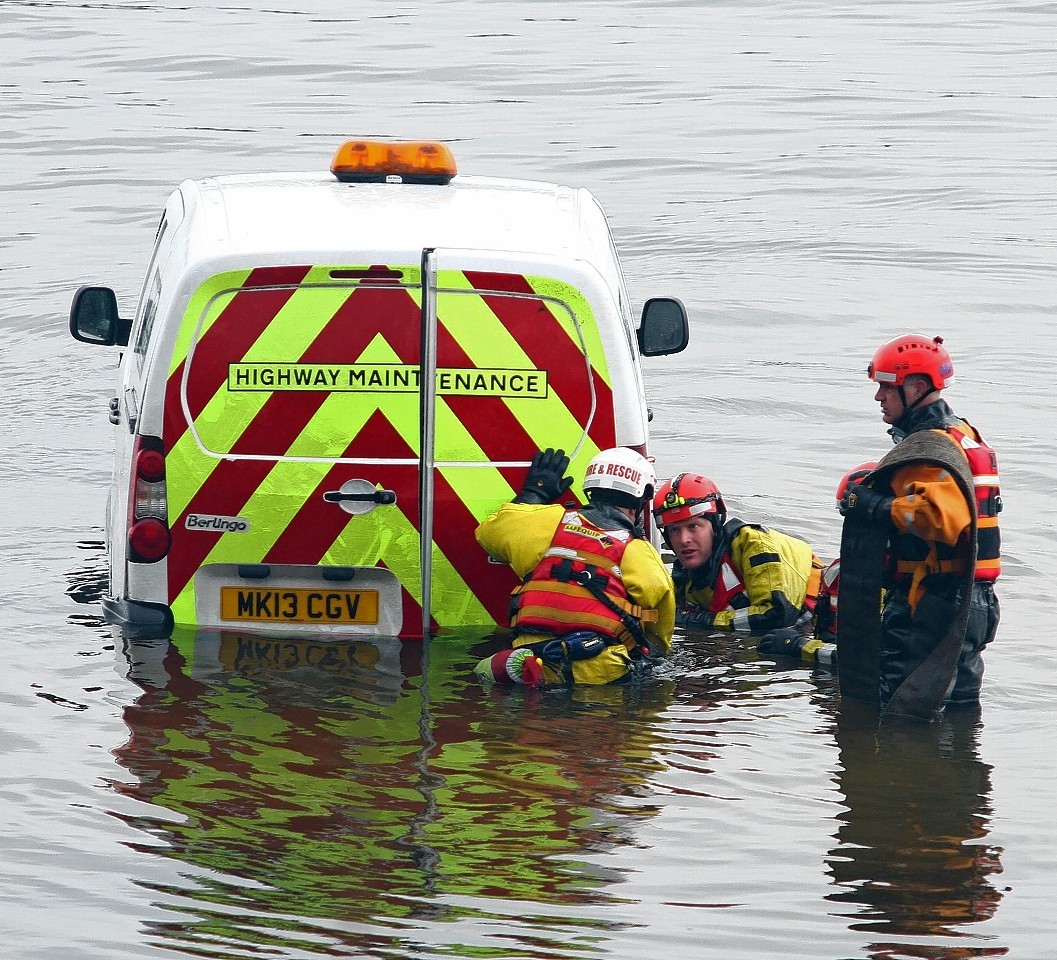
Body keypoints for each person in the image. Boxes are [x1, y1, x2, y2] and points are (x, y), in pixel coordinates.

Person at [837, 334, 1001, 718]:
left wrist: (875, 506)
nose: (879, 397)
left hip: (933, 601)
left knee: (900, 712)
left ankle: (898, 775)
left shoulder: (929, 447)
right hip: (977, 601)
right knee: (959, 712)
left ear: (916, 387)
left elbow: (943, 519)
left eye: (885, 387)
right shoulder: (966, 435)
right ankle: (959, 773)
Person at [475, 447, 676, 686]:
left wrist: (534, 493)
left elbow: (488, 533)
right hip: (603, 674)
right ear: (640, 502)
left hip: (534, 664)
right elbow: (659, 638)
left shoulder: (545, 522)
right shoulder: (641, 554)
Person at [651, 473, 824, 645]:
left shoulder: (754, 546)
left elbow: (774, 616)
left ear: (715, 524)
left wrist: (700, 621)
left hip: (823, 616)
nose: (683, 539)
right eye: (674, 530)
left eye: (693, 526)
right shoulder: (684, 579)